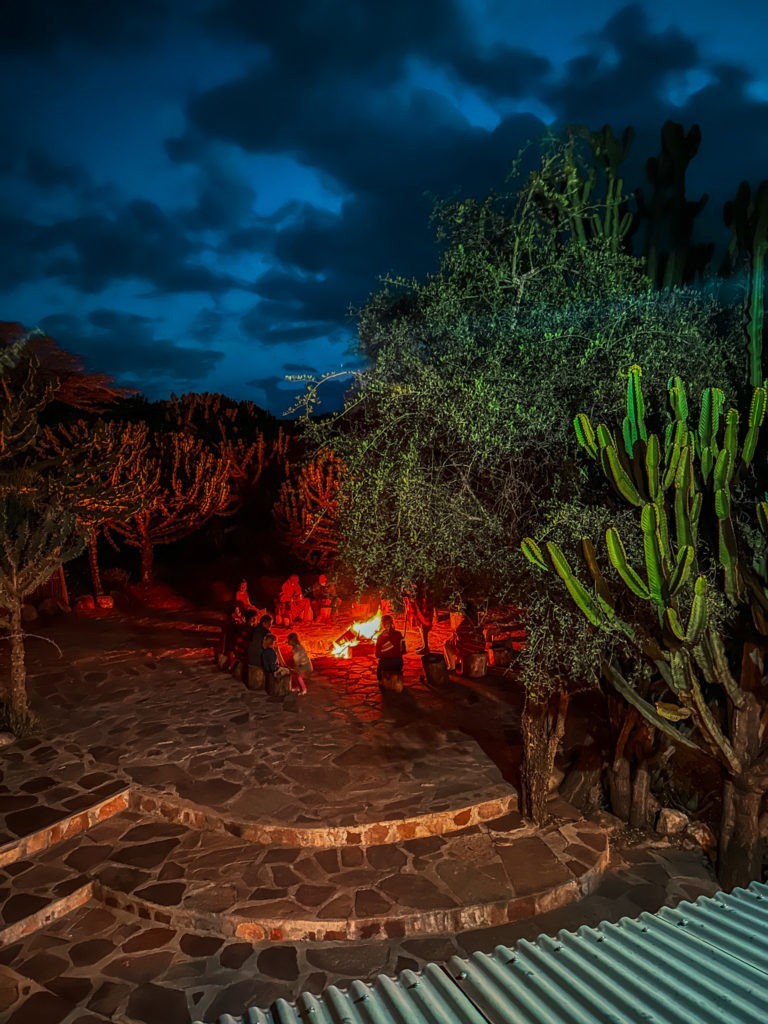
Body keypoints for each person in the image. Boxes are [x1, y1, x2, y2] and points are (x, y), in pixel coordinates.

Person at [444, 604, 486, 673]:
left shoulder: (464, 624)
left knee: (447, 644)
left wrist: (452, 643)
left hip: (469, 651)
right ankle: (457, 662)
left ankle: (452, 667)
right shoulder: (478, 623)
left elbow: (460, 639)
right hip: (480, 649)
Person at [374, 614, 405, 682]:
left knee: (379, 669)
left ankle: (381, 682)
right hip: (398, 664)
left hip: (385, 664)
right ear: (392, 623)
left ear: (383, 624)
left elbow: (377, 654)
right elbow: (404, 651)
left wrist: (386, 653)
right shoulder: (399, 634)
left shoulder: (380, 637)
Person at [407, 583, 434, 655]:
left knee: (424, 627)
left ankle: (426, 648)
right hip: (421, 605)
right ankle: (424, 646)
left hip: (424, 605)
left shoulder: (424, 588)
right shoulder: (419, 589)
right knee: (421, 626)